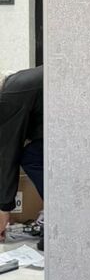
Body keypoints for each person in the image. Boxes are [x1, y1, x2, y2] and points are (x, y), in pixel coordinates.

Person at [0, 66, 44, 246]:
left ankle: (62, 217)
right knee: (34, 154)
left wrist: (4, 209)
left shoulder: (9, 98)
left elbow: (8, 153)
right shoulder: (17, 83)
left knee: (33, 158)